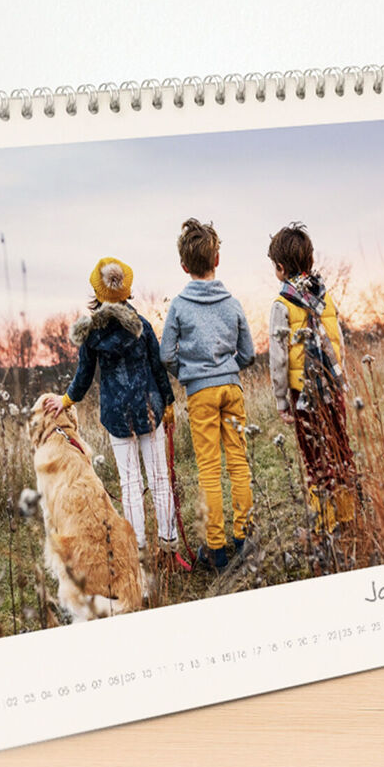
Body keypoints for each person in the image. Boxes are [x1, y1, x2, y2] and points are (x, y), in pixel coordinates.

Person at [49, 257, 180, 563]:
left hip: (117, 416)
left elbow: (83, 376)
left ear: (97, 292)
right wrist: (169, 402)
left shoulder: (92, 334)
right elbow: (158, 368)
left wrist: (65, 401)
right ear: (126, 290)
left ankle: (140, 554)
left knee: (130, 484)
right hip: (150, 409)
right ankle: (170, 547)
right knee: (160, 480)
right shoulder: (142, 326)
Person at [160, 218, 255, 570]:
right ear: (217, 260)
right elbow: (248, 352)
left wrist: (188, 374)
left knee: (210, 469)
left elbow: (166, 354)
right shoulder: (231, 303)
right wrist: (229, 367)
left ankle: (215, 550)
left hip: (199, 394)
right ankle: (244, 538)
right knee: (238, 461)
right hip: (232, 388)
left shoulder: (179, 307)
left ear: (184, 266)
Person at [266, 223, 358, 529]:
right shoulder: (325, 295)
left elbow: (278, 359)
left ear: (280, 268)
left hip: (302, 393)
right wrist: (340, 375)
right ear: (311, 261)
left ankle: (326, 520)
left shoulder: (281, 305)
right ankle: (346, 512)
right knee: (340, 447)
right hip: (333, 386)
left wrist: (281, 400)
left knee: (314, 455)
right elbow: (338, 341)